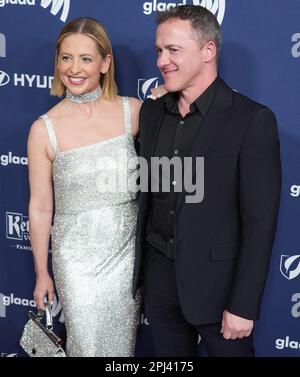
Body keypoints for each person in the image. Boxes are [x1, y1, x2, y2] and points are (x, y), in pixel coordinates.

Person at [133, 5, 282, 357]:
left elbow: (260, 223)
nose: (161, 61)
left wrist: (243, 305)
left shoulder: (252, 120)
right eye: (159, 50)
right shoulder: (152, 112)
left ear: (208, 51)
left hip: (220, 291)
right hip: (160, 283)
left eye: (173, 50)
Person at [28, 17, 142, 357]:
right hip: (75, 261)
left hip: (126, 258)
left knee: (122, 351)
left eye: (86, 59)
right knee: (87, 346)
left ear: (105, 63)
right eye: (66, 58)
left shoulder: (133, 112)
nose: (73, 69)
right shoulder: (43, 130)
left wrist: (164, 99)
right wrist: (41, 273)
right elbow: (40, 207)